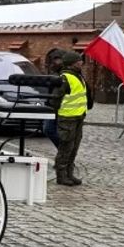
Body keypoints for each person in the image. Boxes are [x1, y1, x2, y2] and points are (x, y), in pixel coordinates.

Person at [50, 51, 89, 186]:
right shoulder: (65, 78)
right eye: (79, 61)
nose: (81, 62)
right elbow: (55, 98)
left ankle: (69, 173)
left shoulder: (78, 76)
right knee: (66, 146)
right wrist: (56, 114)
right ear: (72, 63)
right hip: (67, 117)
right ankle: (61, 175)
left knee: (74, 147)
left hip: (78, 116)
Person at [42, 48, 66, 147]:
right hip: (52, 106)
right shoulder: (54, 72)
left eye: (56, 60)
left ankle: (65, 152)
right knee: (48, 129)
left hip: (61, 107)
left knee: (49, 129)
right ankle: (64, 152)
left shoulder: (64, 74)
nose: (54, 62)